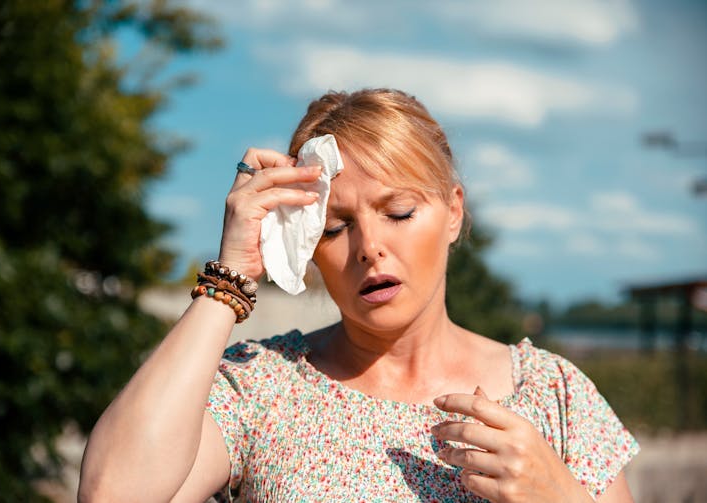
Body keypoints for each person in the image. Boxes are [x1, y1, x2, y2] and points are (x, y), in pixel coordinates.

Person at [79, 88, 639, 502]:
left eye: (398, 212)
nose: (370, 246)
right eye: (333, 227)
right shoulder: (259, 387)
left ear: (453, 212)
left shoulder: (555, 395)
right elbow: (110, 494)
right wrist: (231, 275)